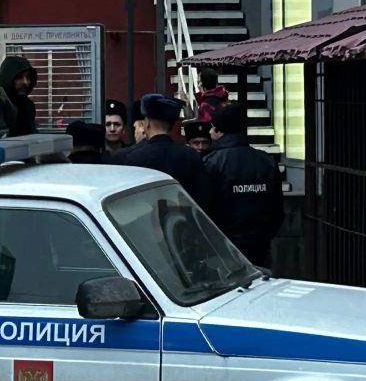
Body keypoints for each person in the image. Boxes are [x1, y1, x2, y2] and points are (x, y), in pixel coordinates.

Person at [203, 103, 283, 266]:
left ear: (219, 130)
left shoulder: (211, 162)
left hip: (223, 248)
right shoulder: (266, 161)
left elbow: (205, 207)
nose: (210, 132)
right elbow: (277, 208)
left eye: (212, 127)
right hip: (260, 246)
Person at [120, 93, 209, 208]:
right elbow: (203, 197)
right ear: (171, 126)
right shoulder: (190, 155)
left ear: (147, 123)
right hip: (183, 216)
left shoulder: (133, 157)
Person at [0, 56, 38, 138]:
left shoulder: (27, 105)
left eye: (28, 77)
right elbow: (3, 138)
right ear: (8, 78)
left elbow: (32, 136)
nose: (25, 82)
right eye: (19, 77)